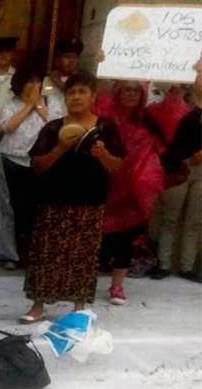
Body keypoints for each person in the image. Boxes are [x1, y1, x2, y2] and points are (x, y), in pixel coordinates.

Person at [21, 71, 126, 322]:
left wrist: (102, 155)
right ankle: (37, 306)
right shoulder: (53, 128)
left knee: (83, 256)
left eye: (82, 92)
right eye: (71, 92)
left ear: (93, 96)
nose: (76, 97)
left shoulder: (106, 128)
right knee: (46, 254)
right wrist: (60, 148)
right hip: (53, 201)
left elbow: (118, 167)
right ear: (65, 97)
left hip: (90, 202)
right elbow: (37, 165)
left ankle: (79, 307)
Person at [95, 81, 165, 304]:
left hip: (132, 189)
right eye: (127, 89)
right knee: (100, 235)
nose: (131, 94)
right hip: (106, 183)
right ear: (119, 92)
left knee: (126, 238)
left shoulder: (149, 120)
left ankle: (117, 286)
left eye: (136, 90)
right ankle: (85, 280)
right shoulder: (104, 118)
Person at [154, 62, 202, 282]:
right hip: (178, 166)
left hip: (200, 170)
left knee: (195, 219)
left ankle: (187, 266)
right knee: (170, 218)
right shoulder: (174, 101)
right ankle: (163, 263)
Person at [0, 66, 51, 266]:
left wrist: (40, 107)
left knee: (32, 209)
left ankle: (28, 252)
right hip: (11, 162)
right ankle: (9, 254)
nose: (34, 86)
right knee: (11, 208)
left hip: (36, 164)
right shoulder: (11, 105)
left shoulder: (48, 103)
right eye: (30, 82)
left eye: (38, 82)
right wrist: (29, 105)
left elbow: (54, 126)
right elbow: (8, 126)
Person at [43, 38, 84, 121]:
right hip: (52, 123)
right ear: (57, 61)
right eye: (67, 57)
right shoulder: (48, 80)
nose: (71, 61)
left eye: (74, 57)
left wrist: (59, 83)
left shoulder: (82, 80)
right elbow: (44, 101)